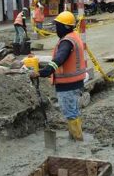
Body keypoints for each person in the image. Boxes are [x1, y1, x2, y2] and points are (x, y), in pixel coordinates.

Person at [30, 11, 86, 141]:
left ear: (65, 27)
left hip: (68, 85)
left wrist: (44, 72)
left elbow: (60, 59)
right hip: (76, 83)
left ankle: (77, 142)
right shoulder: (74, 36)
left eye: (58, 26)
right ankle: (74, 138)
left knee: (70, 113)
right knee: (74, 112)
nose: (56, 29)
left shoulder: (67, 41)